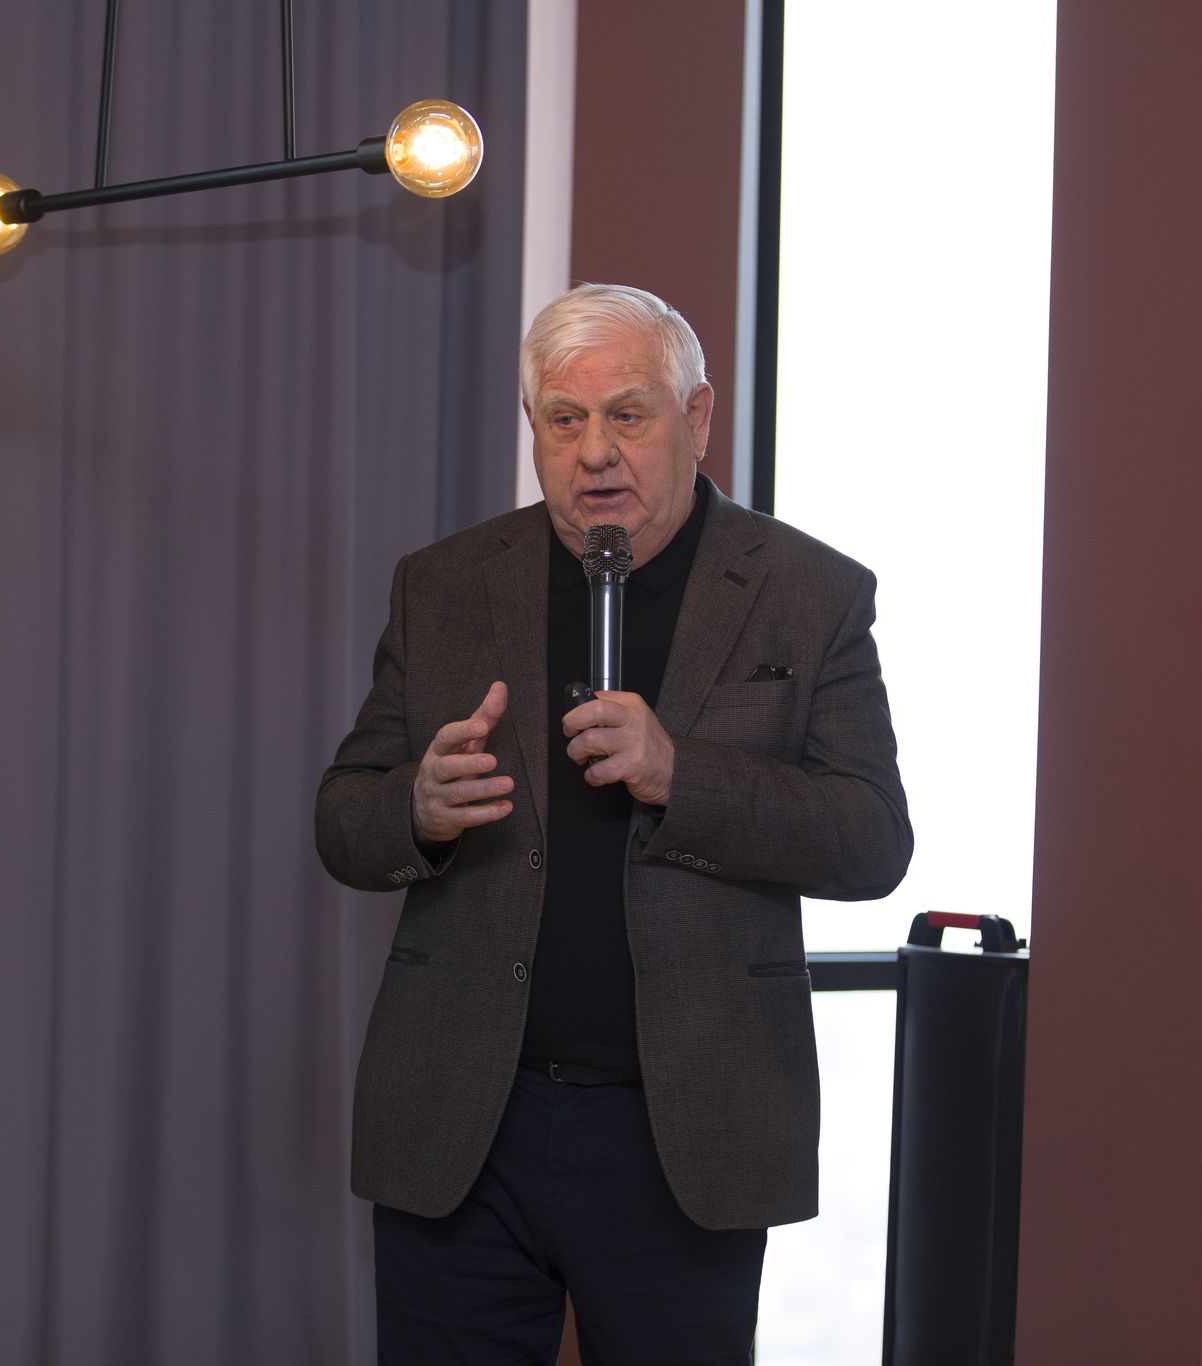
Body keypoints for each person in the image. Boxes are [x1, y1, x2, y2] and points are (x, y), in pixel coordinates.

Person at [315, 283, 912, 1364]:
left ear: (696, 417)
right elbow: (344, 818)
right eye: (564, 418)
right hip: (463, 1118)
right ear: (533, 428)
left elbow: (871, 838)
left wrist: (684, 774)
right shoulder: (442, 586)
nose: (594, 452)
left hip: (684, 1128)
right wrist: (416, 807)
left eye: (627, 415)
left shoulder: (805, 593)